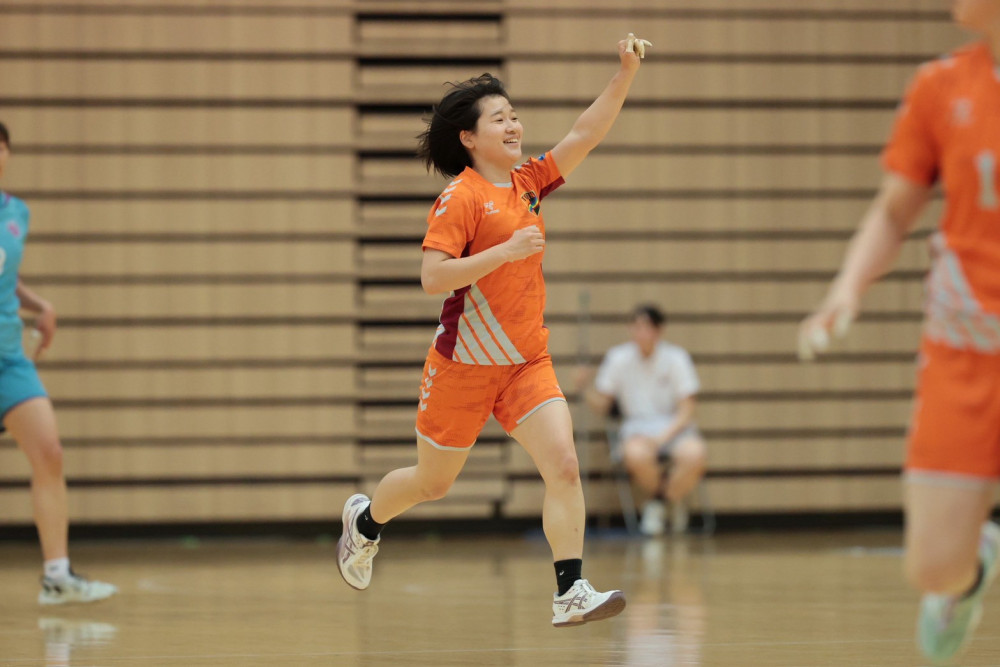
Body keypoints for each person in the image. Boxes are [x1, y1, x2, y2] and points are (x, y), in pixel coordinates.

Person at [336, 34, 651, 627]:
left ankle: (570, 590)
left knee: (564, 466)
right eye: (499, 118)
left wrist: (626, 74)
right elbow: (433, 277)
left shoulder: (529, 182)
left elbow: (585, 133)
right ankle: (366, 521)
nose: (513, 126)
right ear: (469, 137)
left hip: (526, 362)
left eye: (514, 116)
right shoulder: (460, 199)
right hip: (463, 366)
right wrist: (504, 252)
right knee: (432, 485)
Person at [798, 1, 1000, 660]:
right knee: (934, 567)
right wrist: (845, 289)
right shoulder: (939, 86)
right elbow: (892, 213)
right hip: (966, 345)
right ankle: (972, 569)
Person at [0, 122, 117, 605]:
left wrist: (38, 304)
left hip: (9, 358)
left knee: (49, 452)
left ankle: (57, 575)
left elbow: (6, 272)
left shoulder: (17, 212)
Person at [578, 305, 706, 536]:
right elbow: (603, 405)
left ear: (659, 330)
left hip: (673, 427)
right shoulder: (618, 358)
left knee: (695, 454)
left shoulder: (676, 358)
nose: (641, 333)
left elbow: (687, 409)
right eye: (636, 327)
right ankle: (670, 501)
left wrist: (661, 439)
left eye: (647, 327)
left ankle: (657, 504)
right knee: (635, 455)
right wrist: (584, 387)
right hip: (636, 428)